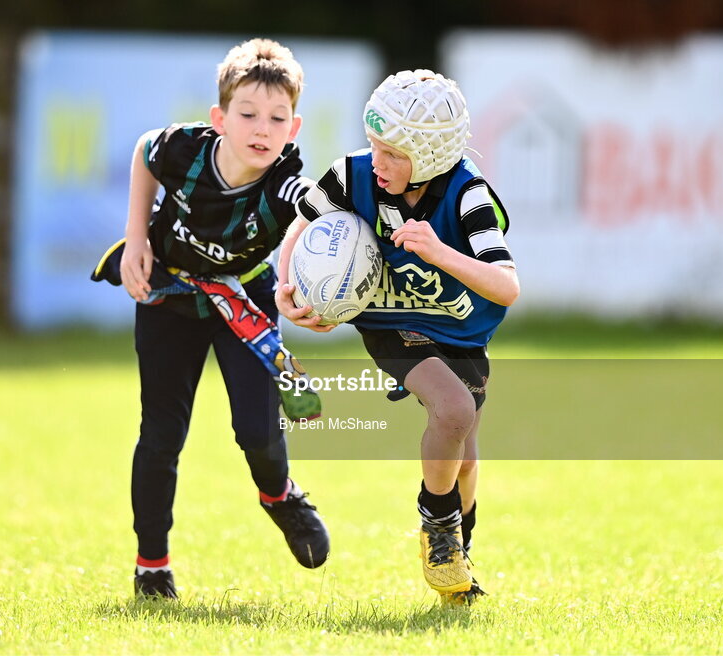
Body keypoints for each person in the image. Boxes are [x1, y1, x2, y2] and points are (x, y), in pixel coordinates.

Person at [92, 38, 329, 600]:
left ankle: (279, 496)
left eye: (277, 118)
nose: (261, 128)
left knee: (256, 429)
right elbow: (145, 151)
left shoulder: (286, 181)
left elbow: (314, 216)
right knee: (161, 434)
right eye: (247, 114)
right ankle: (152, 565)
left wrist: (309, 293)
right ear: (220, 119)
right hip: (171, 297)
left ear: (293, 128)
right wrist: (134, 239)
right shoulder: (186, 151)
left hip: (244, 303)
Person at [276, 70, 519, 604]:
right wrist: (285, 287)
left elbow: (506, 287)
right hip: (390, 323)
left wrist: (438, 251)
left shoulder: (468, 196)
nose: (376, 162)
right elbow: (302, 224)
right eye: (374, 145)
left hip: (461, 332)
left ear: (431, 156)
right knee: (453, 411)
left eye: (392, 153)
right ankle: (436, 528)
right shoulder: (353, 176)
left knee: (466, 454)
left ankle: (457, 553)